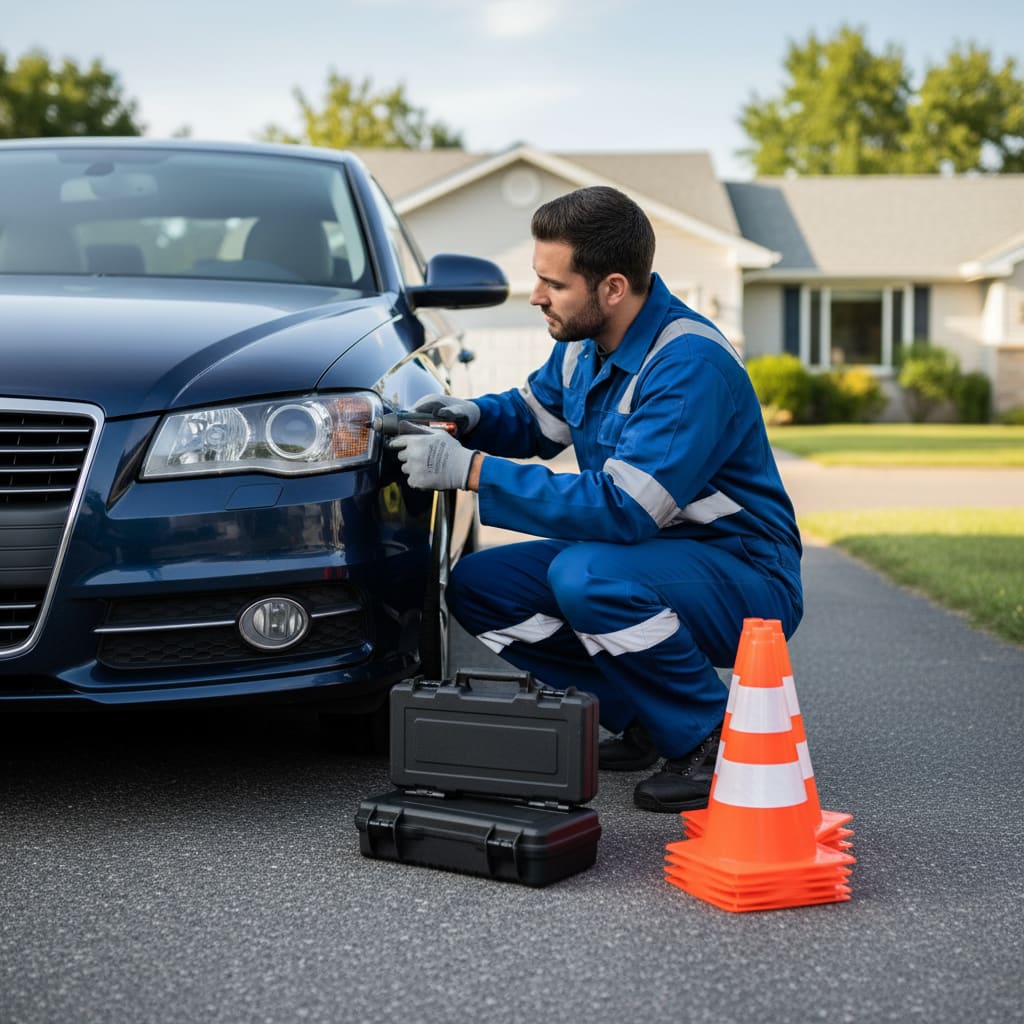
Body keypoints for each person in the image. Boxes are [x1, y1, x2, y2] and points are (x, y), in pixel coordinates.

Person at [389, 185, 803, 813]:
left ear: (612, 288)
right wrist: (469, 416)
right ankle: (647, 718)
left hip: (744, 570)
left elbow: (624, 510)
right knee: (480, 585)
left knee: (585, 575)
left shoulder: (688, 364)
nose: (535, 296)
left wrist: (470, 471)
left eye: (553, 284)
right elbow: (534, 418)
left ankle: (712, 736)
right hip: (653, 555)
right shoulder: (585, 345)